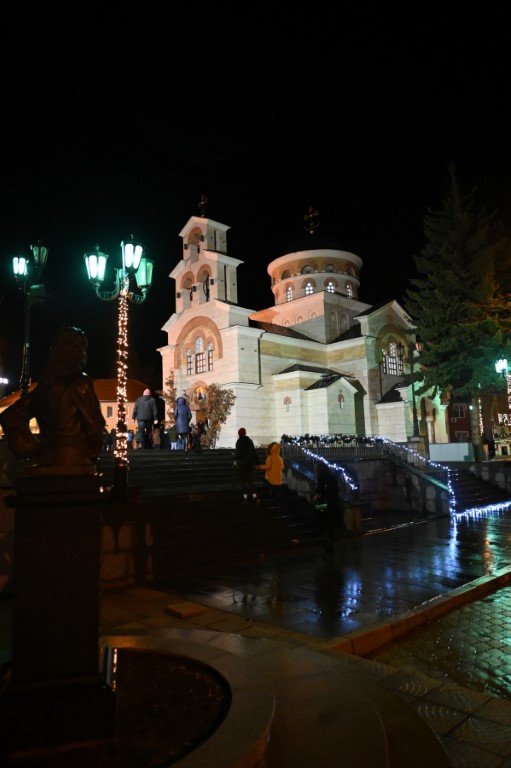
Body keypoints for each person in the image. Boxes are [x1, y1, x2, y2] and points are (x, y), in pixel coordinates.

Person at [0, 326, 105, 468]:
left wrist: (33, 448)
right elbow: (95, 426)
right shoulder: (80, 383)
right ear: (76, 350)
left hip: (46, 459)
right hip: (76, 459)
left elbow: (10, 418)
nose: (84, 353)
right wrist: (93, 453)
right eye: (82, 348)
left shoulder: (45, 387)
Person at [313, 462, 344, 553]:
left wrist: (316, 495)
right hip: (333, 504)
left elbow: (320, 489)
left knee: (323, 522)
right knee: (330, 523)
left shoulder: (321, 476)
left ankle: (326, 542)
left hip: (324, 504)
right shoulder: (332, 476)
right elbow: (336, 489)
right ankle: (330, 541)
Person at [234, 427, 259, 503]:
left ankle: (245, 497)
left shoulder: (239, 442)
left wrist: (234, 456)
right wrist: (257, 463)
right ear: (245, 433)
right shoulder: (250, 441)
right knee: (250, 480)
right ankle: (255, 496)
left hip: (242, 464)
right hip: (250, 463)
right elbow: (254, 452)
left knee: (243, 481)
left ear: (239, 434)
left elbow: (239, 454)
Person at [257, 441, 284, 508]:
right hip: (278, 480)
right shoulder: (280, 458)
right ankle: (277, 505)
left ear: (270, 449)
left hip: (270, 478)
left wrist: (259, 467)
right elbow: (282, 467)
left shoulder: (270, 457)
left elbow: (267, 467)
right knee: (277, 493)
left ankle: (262, 501)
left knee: (266, 490)